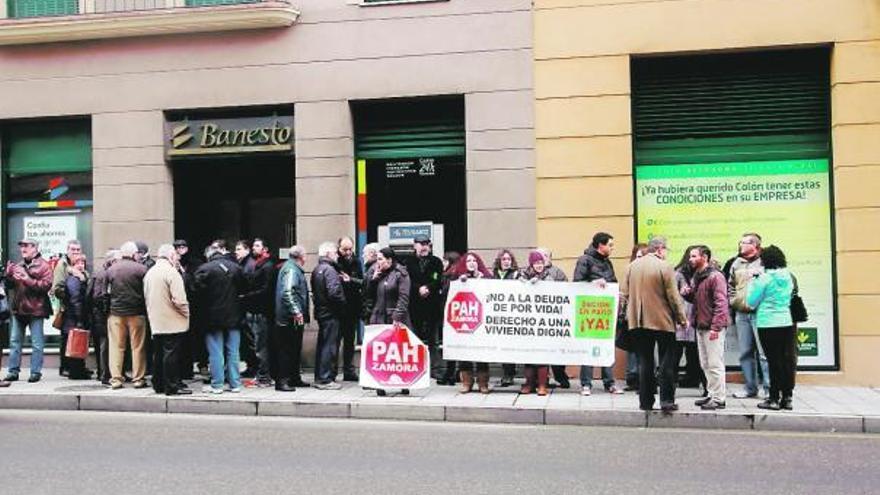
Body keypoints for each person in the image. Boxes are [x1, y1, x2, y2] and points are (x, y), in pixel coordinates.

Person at [620, 237, 688, 412]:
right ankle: (666, 400)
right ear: (659, 249)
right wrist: (682, 318)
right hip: (662, 320)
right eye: (665, 250)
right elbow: (673, 296)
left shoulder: (631, 267)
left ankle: (646, 401)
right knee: (667, 361)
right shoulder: (664, 266)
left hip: (637, 321)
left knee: (645, 361)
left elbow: (624, 295)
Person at [574, 232, 623, 396]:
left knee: (606, 346)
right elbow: (577, 284)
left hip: (606, 310)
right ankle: (586, 384)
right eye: (610, 245)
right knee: (589, 347)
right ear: (600, 245)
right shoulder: (584, 260)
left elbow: (613, 281)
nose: (612, 248)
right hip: (589, 311)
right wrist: (594, 283)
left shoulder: (607, 262)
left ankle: (609, 383)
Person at [747, 245, 796, 411]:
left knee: (773, 361)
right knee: (786, 360)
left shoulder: (764, 279)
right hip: (786, 321)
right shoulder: (788, 276)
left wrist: (754, 281)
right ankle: (787, 397)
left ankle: (774, 398)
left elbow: (751, 301)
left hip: (768, 323)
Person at [680, 246, 729, 410]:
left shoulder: (715, 276)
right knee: (705, 364)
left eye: (694, 256)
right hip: (701, 325)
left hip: (711, 327)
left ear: (705, 257)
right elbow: (697, 299)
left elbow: (721, 303)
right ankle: (711, 394)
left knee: (715, 364)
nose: (690, 259)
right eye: (690, 256)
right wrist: (687, 293)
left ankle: (719, 398)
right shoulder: (698, 276)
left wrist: (716, 327)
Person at [194, 240, 246, 394]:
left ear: (209, 256)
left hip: (212, 318)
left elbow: (196, 293)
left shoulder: (204, 269)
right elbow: (245, 288)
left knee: (216, 351)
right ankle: (235, 383)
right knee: (233, 351)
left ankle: (217, 384)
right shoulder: (236, 268)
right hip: (234, 316)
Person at [363, 247, 412, 396]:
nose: (377, 262)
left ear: (389, 260)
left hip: (395, 316)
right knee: (380, 351)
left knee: (398, 352)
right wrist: (373, 280)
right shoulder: (374, 271)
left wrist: (397, 317)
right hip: (378, 315)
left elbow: (404, 297)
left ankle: (404, 382)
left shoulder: (401, 273)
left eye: (380, 259)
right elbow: (367, 294)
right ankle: (379, 383)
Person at [4, 239, 53, 383]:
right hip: (19, 309)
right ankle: (13, 371)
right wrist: (8, 276)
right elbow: (10, 286)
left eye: (26, 246)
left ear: (35, 248)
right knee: (14, 341)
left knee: (37, 343)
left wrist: (28, 280)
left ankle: (35, 372)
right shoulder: (18, 265)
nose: (22, 249)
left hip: (36, 310)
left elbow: (46, 286)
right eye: (21, 247)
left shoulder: (44, 265)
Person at [144, 244, 191, 396]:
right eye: (176, 256)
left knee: (158, 354)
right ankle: (171, 386)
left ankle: (158, 384)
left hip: (156, 320)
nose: (177, 258)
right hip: (172, 320)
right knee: (171, 354)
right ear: (171, 256)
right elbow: (179, 299)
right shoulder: (171, 272)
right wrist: (186, 313)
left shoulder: (150, 273)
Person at [728, 232, 770, 399]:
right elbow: (730, 284)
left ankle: (769, 389)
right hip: (742, 313)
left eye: (744, 242)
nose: (741, 245)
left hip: (760, 314)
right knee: (745, 352)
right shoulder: (736, 263)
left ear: (755, 246)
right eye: (741, 242)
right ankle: (750, 388)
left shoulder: (765, 262)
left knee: (764, 353)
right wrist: (733, 301)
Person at [105, 241, 150, 389]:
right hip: (137, 313)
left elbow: (104, 293)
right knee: (138, 347)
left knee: (116, 347)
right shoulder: (142, 269)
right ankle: (138, 379)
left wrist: (108, 311)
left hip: (116, 314)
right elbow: (147, 292)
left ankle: (116, 379)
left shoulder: (111, 270)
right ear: (133, 254)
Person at [405, 235, 444, 380]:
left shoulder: (436, 262)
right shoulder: (408, 262)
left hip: (432, 307)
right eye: (421, 244)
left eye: (427, 244)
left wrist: (428, 287)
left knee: (433, 340)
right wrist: (418, 289)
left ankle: (436, 369)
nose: (424, 247)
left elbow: (437, 279)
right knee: (415, 339)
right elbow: (407, 280)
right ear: (414, 246)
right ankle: (418, 368)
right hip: (415, 307)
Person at [453, 252, 493, 394]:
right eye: (468, 261)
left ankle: (483, 383)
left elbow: (494, 293)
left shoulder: (486, 276)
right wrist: (459, 282)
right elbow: (447, 292)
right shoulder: (457, 277)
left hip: (481, 321)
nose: (471, 263)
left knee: (481, 352)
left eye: (474, 260)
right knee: (465, 352)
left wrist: (481, 279)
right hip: (464, 320)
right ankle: (467, 382)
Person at [519, 251, 556, 396]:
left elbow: (554, 294)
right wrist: (526, 284)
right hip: (527, 322)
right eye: (536, 263)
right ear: (531, 264)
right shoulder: (522, 276)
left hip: (543, 322)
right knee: (528, 355)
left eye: (541, 263)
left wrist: (540, 284)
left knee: (542, 354)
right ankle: (528, 383)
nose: (539, 266)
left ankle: (542, 385)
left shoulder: (549, 278)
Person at [311, 241, 347, 390]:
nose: (337, 255)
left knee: (323, 345)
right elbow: (334, 293)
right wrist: (343, 303)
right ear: (328, 254)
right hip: (331, 313)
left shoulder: (317, 269)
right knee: (330, 346)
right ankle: (325, 379)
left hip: (321, 312)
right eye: (334, 253)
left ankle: (320, 377)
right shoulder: (330, 270)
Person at [275, 245, 310, 392]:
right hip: (288, 318)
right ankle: (283, 381)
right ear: (301, 257)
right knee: (287, 350)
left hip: (289, 317)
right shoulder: (291, 270)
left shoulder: (291, 267)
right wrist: (297, 312)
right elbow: (287, 292)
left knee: (294, 349)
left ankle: (294, 378)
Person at [241, 238, 276, 387]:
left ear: (265, 249)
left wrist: (246, 296)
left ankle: (264, 377)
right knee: (259, 345)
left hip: (261, 311)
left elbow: (265, 290)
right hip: (257, 310)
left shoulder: (267, 266)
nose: (254, 248)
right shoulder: (259, 264)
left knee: (261, 346)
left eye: (257, 246)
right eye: (253, 246)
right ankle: (262, 375)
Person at [536, 246, 571, 389]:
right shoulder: (530, 272)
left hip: (554, 319)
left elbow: (566, 291)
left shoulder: (558, 273)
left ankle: (561, 377)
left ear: (550, 258)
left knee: (556, 351)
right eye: (539, 255)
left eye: (545, 255)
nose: (542, 258)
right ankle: (543, 380)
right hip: (537, 319)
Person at [673, 245, 707, 393]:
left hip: (696, 316)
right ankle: (671, 383)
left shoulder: (705, 274)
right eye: (691, 256)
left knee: (697, 352)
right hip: (682, 316)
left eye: (696, 256)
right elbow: (673, 295)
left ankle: (694, 379)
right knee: (676, 352)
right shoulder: (679, 273)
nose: (693, 260)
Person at [86, 249, 118, 385]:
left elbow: (89, 294)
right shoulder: (104, 274)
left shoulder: (99, 272)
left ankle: (104, 373)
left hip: (97, 314)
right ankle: (105, 375)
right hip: (102, 314)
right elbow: (97, 296)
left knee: (103, 345)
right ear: (112, 261)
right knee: (105, 345)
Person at [57, 254, 92, 380]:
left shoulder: (81, 278)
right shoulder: (73, 279)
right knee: (75, 345)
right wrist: (79, 319)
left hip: (75, 317)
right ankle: (76, 372)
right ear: (72, 265)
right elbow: (75, 300)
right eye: (78, 263)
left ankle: (79, 370)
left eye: (83, 263)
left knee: (78, 344)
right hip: (73, 317)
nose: (81, 265)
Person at [51, 239, 82, 377]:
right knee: (66, 338)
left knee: (73, 338)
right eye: (73, 249)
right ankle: (65, 367)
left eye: (77, 249)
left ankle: (71, 367)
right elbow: (57, 287)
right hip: (67, 308)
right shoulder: (62, 265)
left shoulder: (77, 263)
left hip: (74, 307)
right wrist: (69, 297)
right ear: (67, 250)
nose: (75, 252)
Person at [336, 236, 364, 382]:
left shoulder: (356, 261)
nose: (347, 252)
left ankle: (349, 370)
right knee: (335, 341)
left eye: (350, 249)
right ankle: (333, 371)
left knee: (349, 341)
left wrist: (350, 280)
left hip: (352, 308)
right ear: (338, 248)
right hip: (339, 308)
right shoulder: (335, 261)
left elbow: (362, 281)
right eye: (344, 249)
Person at [493, 249, 520, 387]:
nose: (506, 261)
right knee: (502, 346)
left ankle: (510, 374)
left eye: (509, 259)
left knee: (510, 346)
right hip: (498, 315)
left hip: (512, 315)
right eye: (504, 259)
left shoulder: (517, 275)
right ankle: (506, 372)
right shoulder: (493, 275)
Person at [622, 243, 648, 391]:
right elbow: (625, 292)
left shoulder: (650, 272)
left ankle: (645, 379)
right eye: (637, 257)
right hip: (632, 315)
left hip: (647, 316)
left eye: (642, 257)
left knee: (645, 349)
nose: (639, 260)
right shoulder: (629, 270)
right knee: (632, 348)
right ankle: (632, 378)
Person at [436, 251, 461, 386]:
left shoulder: (451, 276)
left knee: (451, 343)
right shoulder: (448, 275)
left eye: (445, 261)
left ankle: (451, 373)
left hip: (450, 314)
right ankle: (452, 373)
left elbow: (445, 293)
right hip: (449, 313)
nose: (443, 264)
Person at [235, 239, 259, 377]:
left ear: (247, 250)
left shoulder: (249, 265)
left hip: (247, 307)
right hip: (246, 306)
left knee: (250, 339)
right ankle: (252, 365)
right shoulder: (245, 264)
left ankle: (254, 366)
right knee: (248, 339)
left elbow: (247, 284)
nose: (236, 252)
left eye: (239, 249)